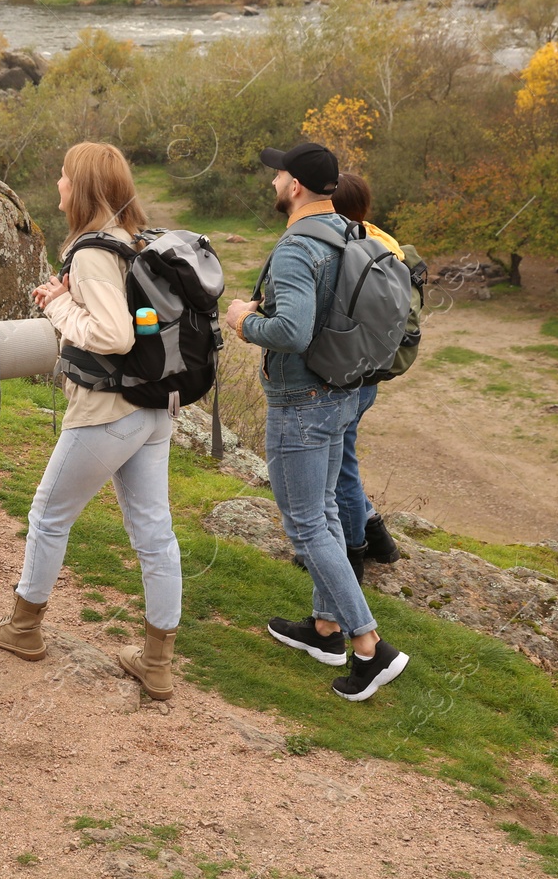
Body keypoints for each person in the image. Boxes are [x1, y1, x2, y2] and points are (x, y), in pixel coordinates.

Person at [0, 142, 185, 701]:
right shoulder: (132, 244)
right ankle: (157, 662)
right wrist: (66, 300)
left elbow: (114, 336)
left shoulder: (92, 251)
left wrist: (57, 307)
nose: (60, 187)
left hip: (106, 411)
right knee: (154, 533)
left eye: (66, 178)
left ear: (86, 189)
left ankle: (23, 628)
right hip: (153, 408)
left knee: (48, 514)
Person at [223, 143, 409, 702]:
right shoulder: (354, 233)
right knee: (324, 511)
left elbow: (292, 332)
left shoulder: (297, 250)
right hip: (342, 394)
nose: (273, 181)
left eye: (278, 174)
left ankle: (370, 646)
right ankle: (325, 630)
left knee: (305, 525)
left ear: (296, 186)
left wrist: (243, 321)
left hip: (301, 402)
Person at [329, 173, 404, 576]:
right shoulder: (382, 241)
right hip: (371, 372)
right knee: (344, 458)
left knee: (340, 465)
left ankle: (353, 552)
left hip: (348, 375)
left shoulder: (349, 248)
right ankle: (376, 535)